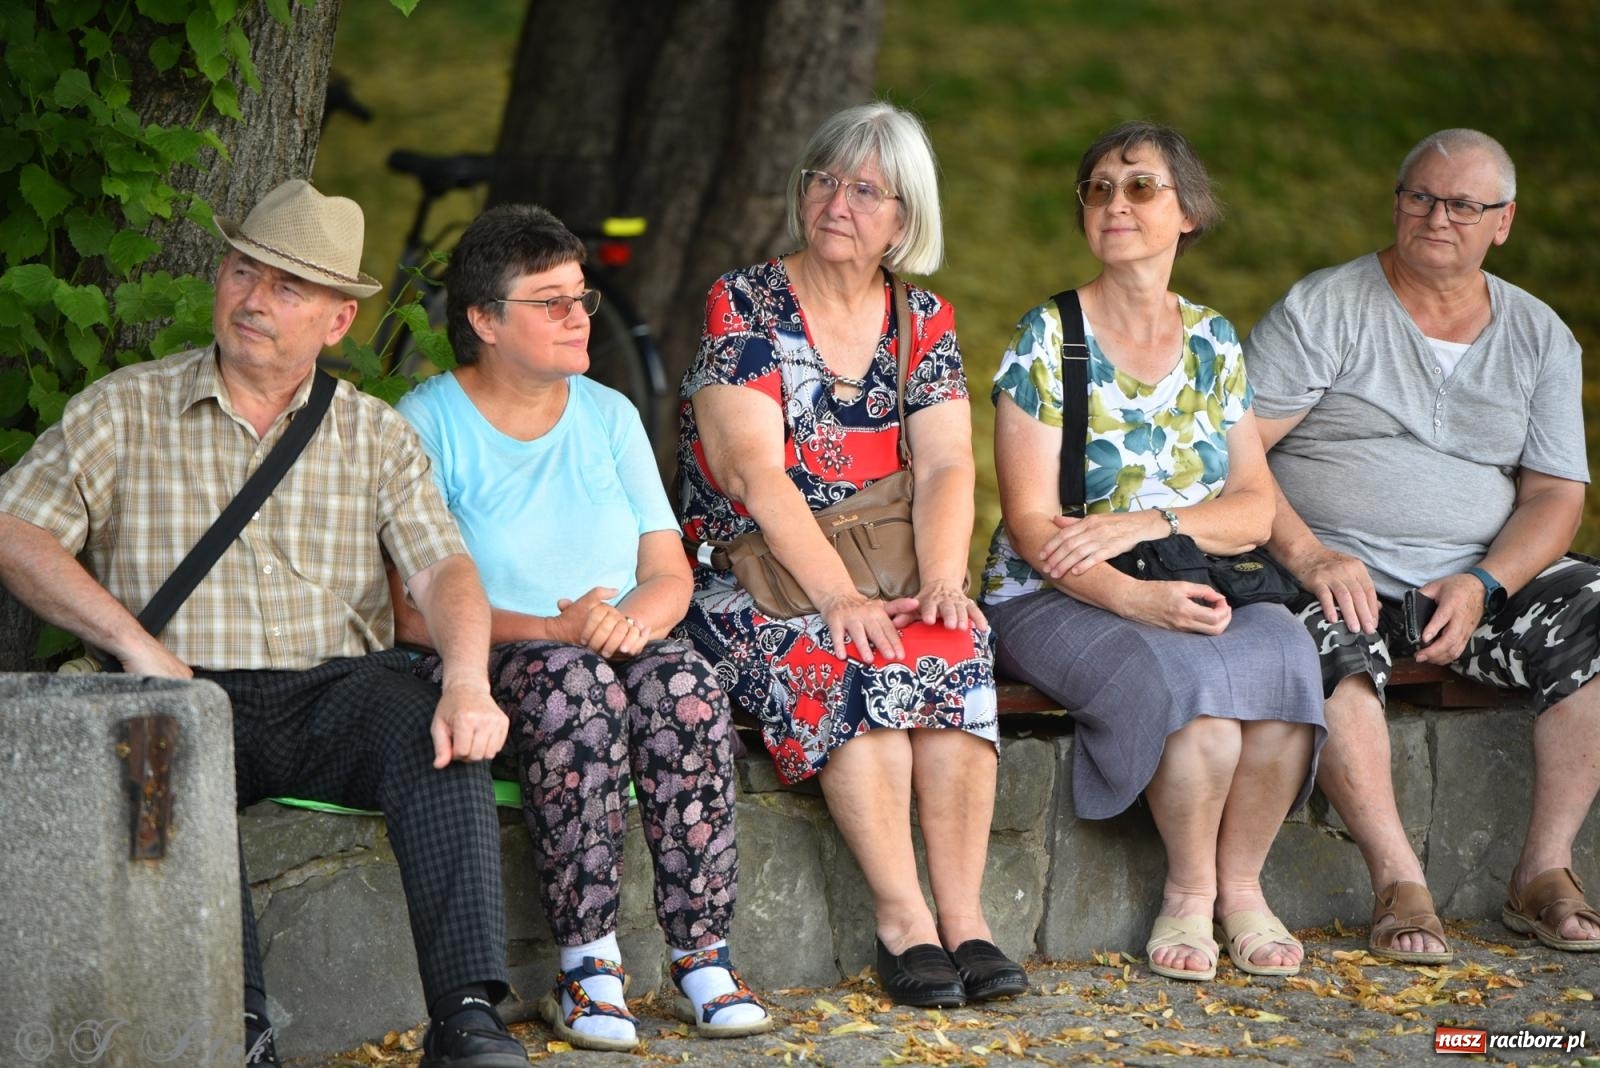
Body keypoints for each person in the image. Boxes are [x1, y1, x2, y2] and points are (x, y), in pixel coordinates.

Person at [0, 180, 529, 1068]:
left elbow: (443, 569)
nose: (253, 298)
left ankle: (468, 1017)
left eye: (288, 287)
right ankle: (237, 1030)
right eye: (244, 270)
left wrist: (468, 682)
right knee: (157, 751)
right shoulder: (125, 407)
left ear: (336, 324)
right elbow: (15, 529)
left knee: (437, 735)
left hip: (336, 689)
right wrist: (134, 645)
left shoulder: (373, 433)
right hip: (183, 687)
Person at [389, 204, 772, 1051]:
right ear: (485, 321)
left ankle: (702, 954)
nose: (576, 316)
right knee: (574, 687)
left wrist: (624, 625)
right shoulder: (426, 422)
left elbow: (669, 573)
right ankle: (587, 965)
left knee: (685, 683)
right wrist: (557, 633)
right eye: (548, 300)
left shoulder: (606, 413)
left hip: (603, 643)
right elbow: (407, 611)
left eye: (581, 297)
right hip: (485, 656)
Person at [675, 102, 1026, 1007]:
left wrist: (944, 581)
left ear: (904, 219)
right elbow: (754, 473)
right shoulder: (744, 302)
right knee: (851, 657)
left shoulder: (921, 318)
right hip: (752, 576)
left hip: (888, 573)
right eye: (823, 180)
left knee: (952, 646)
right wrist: (835, 598)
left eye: (865, 189)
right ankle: (903, 921)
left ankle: (966, 920)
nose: (836, 201)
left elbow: (949, 461)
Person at [979, 121, 1326, 982]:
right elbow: (1031, 524)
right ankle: (1188, 894)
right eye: (1098, 188)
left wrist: (1153, 526)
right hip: (1053, 590)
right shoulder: (1047, 337)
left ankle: (1244, 890)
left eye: (1140, 186)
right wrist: (1137, 600)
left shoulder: (1211, 340)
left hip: (1188, 570)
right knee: (1199, 703)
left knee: (1287, 660)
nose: (1115, 202)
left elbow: (1251, 509)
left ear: (1189, 215)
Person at [1248, 128, 1600, 960]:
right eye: (1420, 197)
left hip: (1472, 589)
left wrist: (1487, 580)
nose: (1438, 217)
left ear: (1504, 221)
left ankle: (1544, 871)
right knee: (1311, 637)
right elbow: (1235, 455)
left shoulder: (1538, 333)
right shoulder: (1324, 308)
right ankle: (1399, 880)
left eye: (1464, 205)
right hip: (1338, 572)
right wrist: (1310, 556)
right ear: (1397, 202)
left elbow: (1556, 495)